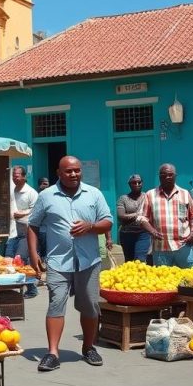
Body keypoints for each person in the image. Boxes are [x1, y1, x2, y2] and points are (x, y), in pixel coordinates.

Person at [28, 156, 113, 371]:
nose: (74, 174)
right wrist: (33, 253)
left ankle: (88, 347)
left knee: (91, 305)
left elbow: (108, 221)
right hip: (58, 261)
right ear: (59, 172)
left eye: (77, 170)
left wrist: (90, 227)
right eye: (69, 171)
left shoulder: (94, 194)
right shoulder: (46, 196)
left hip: (89, 261)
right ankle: (52, 353)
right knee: (56, 303)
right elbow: (33, 225)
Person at [137, 163, 193, 268]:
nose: (167, 177)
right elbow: (142, 218)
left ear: (175, 176)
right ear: (159, 176)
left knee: (189, 279)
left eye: (170, 174)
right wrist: (152, 231)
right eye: (163, 175)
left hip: (184, 246)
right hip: (161, 248)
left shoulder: (185, 194)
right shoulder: (150, 194)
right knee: (164, 281)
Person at [8, 166, 39, 297]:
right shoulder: (11, 191)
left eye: (18, 175)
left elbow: (36, 212)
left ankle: (32, 289)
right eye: (14, 175)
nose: (15, 178)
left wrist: (22, 214)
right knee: (9, 259)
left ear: (24, 177)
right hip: (12, 231)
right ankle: (13, 288)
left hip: (27, 232)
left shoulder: (31, 193)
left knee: (21, 259)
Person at [116, 174, 149, 263]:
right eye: (134, 182)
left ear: (142, 183)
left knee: (140, 260)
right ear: (129, 184)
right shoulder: (123, 199)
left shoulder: (147, 197)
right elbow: (121, 216)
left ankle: (140, 276)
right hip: (127, 234)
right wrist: (138, 214)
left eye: (139, 182)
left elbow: (150, 214)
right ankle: (131, 277)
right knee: (129, 261)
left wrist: (130, 216)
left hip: (143, 233)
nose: (137, 184)